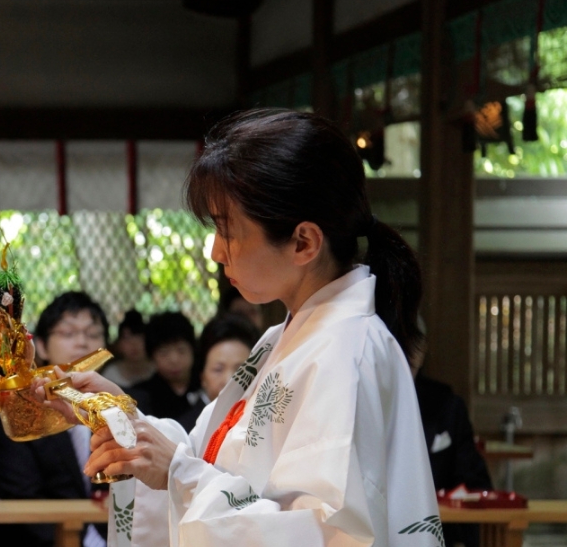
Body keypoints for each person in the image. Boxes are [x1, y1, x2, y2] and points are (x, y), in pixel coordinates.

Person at [58, 109, 438, 546]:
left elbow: (326, 534)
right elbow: (207, 456)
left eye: (228, 230)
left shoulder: (346, 351)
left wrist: (179, 475)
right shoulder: (283, 340)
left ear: (303, 242)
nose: (217, 252)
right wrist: (124, 419)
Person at [0, 291, 109, 547]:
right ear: (40, 345)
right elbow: (20, 495)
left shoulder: (122, 402)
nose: (82, 343)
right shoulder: (21, 409)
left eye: (93, 334)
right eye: (69, 333)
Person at [413, 342, 492, 547]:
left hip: (436, 532)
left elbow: (473, 481)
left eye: (415, 344)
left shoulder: (445, 404)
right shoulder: (358, 400)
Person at [176, 314, 260, 431]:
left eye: (241, 370)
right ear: (202, 376)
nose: (229, 380)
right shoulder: (186, 430)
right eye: (218, 369)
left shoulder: (265, 421)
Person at [128, 312, 200, 423]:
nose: (174, 360)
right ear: (152, 357)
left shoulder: (205, 386)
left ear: (192, 350)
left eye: (181, 350)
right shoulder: (141, 396)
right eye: (164, 353)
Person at [101, 310, 154, 389]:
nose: (133, 344)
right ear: (118, 344)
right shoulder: (110, 375)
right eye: (127, 339)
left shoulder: (158, 371)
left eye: (139, 338)